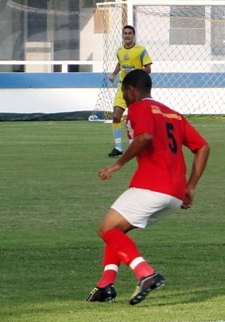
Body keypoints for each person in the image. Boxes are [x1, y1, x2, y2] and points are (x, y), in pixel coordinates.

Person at [86, 69, 210, 305]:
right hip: (174, 194)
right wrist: (190, 186)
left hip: (152, 185)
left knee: (106, 230)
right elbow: (203, 147)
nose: (123, 96)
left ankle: (146, 274)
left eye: (123, 91)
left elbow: (144, 137)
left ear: (131, 90)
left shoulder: (138, 108)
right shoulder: (174, 114)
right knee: (116, 231)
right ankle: (105, 285)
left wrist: (118, 164)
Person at [108, 25, 152, 158]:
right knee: (116, 116)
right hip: (123, 87)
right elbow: (120, 64)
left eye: (130, 33)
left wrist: (133, 72)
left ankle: (136, 145)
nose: (127, 35)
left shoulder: (141, 50)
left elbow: (148, 69)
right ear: (122, 35)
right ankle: (118, 147)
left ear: (133, 35)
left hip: (137, 89)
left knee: (137, 118)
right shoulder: (120, 50)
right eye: (125, 33)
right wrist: (113, 74)